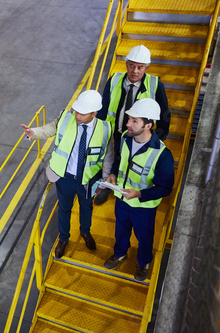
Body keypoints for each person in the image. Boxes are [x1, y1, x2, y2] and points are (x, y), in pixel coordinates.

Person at [21, 90, 113, 258]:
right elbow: (49, 128)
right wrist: (34, 133)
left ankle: (85, 232)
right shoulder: (65, 117)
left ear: (94, 113)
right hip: (64, 177)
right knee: (64, 209)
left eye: (82, 113)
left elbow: (108, 156)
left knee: (86, 207)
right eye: (76, 110)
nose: (77, 115)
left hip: (88, 180)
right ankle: (63, 238)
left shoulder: (106, 129)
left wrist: (104, 181)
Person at [103, 98, 174, 281]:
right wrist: (112, 174)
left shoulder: (161, 154)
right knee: (121, 230)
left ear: (148, 125)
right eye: (129, 119)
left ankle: (144, 262)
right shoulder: (126, 138)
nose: (128, 124)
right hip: (122, 199)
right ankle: (120, 253)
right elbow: (120, 160)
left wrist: (140, 194)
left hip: (143, 207)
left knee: (144, 237)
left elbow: (165, 188)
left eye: (135, 121)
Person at [94, 44, 170, 205]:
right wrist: (100, 129)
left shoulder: (155, 85)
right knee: (111, 159)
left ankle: (129, 190)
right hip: (116, 131)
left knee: (130, 162)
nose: (135, 71)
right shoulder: (114, 80)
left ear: (147, 67)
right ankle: (109, 186)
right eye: (132, 66)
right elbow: (104, 107)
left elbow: (164, 115)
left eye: (140, 67)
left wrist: (155, 140)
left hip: (137, 136)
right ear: (126, 64)